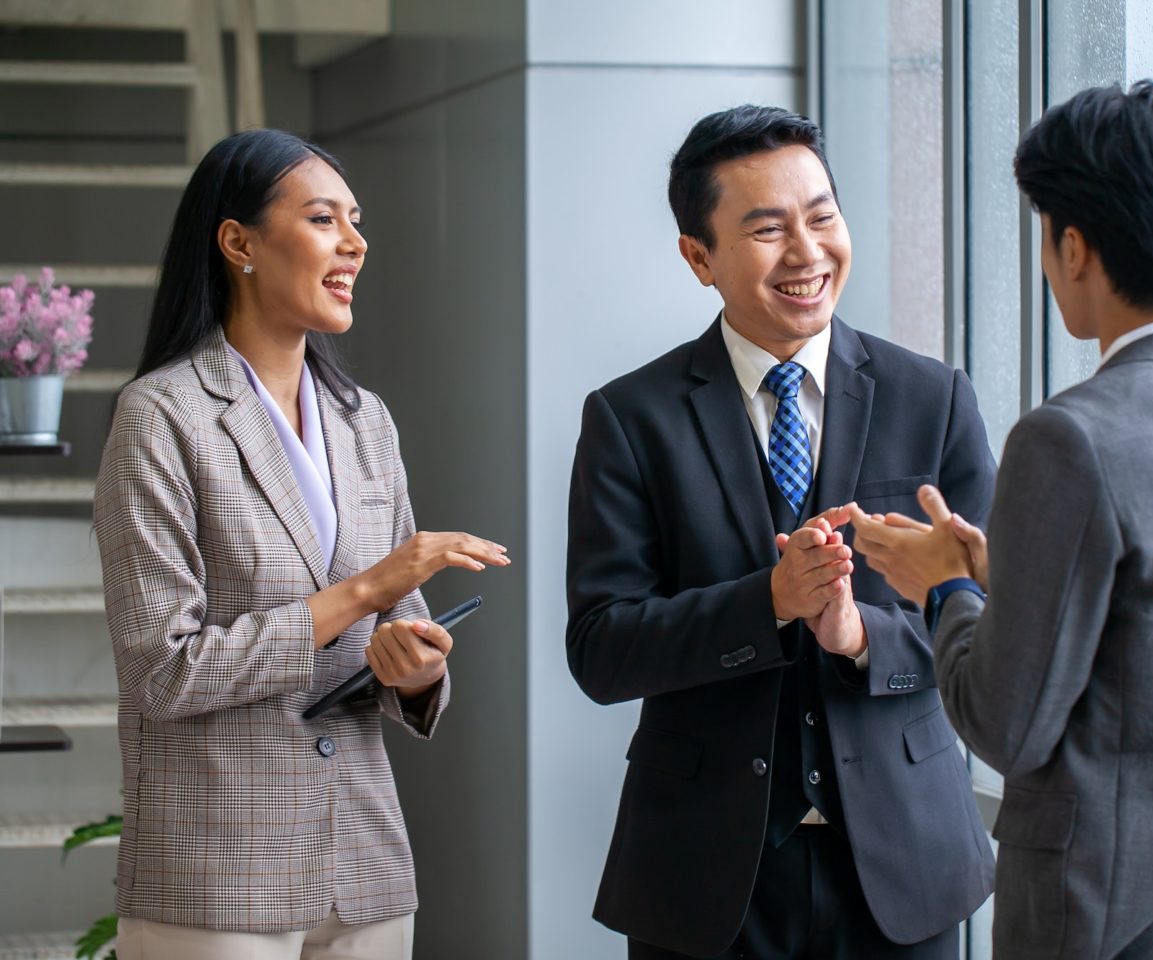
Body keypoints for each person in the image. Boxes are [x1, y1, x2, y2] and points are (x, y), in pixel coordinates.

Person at [849, 82, 1153, 959]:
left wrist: (944, 586)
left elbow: (1005, 725)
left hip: (1101, 926)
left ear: (1075, 247)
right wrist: (1012, 574)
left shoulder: (1068, 437)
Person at [566, 105, 997, 959]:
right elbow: (602, 650)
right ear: (699, 257)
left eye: (822, 217)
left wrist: (858, 633)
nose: (807, 252)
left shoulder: (933, 398)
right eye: (767, 229)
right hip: (705, 875)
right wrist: (766, 601)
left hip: (903, 867)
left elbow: (992, 623)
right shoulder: (630, 418)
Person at [93, 129, 509, 960]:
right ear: (238, 242)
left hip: (364, 866)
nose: (355, 242)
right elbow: (163, 670)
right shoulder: (162, 416)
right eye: (324, 219)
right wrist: (362, 592)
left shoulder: (367, 422)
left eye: (355, 221)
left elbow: (402, 628)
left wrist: (418, 667)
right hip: (216, 879)